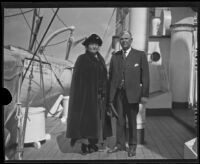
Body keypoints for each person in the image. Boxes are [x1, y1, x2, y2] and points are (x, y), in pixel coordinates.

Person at [66, 34, 112, 154]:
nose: (94, 47)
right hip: (86, 97)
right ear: (86, 46)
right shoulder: (82, 59)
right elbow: (78, 80)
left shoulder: (100, 59)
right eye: (91, 44)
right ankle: (85, 145)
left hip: (100, 97)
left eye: (96, 45)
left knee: (98, 122)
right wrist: (82, 96)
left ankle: (93, 143)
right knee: (86, 121)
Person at [107, 30, 149, 157]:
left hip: (133, 95)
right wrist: (110, 98)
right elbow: (112, 78)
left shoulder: (140, 55)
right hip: (118, 96)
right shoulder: (115, 56)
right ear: (120, 41)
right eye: (122, 39)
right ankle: (119, 144)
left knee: (132, 121)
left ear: (131, 40)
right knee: (119, 121)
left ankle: (132, 146)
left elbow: (145, 76)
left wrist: (144, 95)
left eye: (126, 38)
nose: (124, 41)